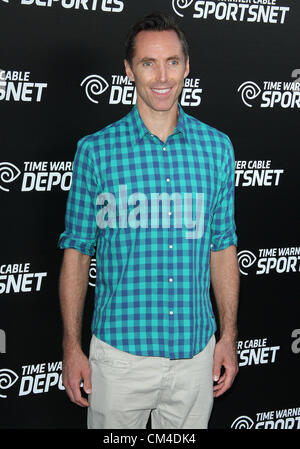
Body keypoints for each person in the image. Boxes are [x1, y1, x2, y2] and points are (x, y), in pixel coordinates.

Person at [57, 11, 240, 429]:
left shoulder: (217, 149)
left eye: (172, 61)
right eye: (147, 62)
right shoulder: (96, 152)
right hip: (120, 359)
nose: (162, 75)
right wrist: (71, 347)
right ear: (128, 70)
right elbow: (77, 252)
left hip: (196, 359)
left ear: (187, 66)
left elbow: (223, 246)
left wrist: (227, 336)